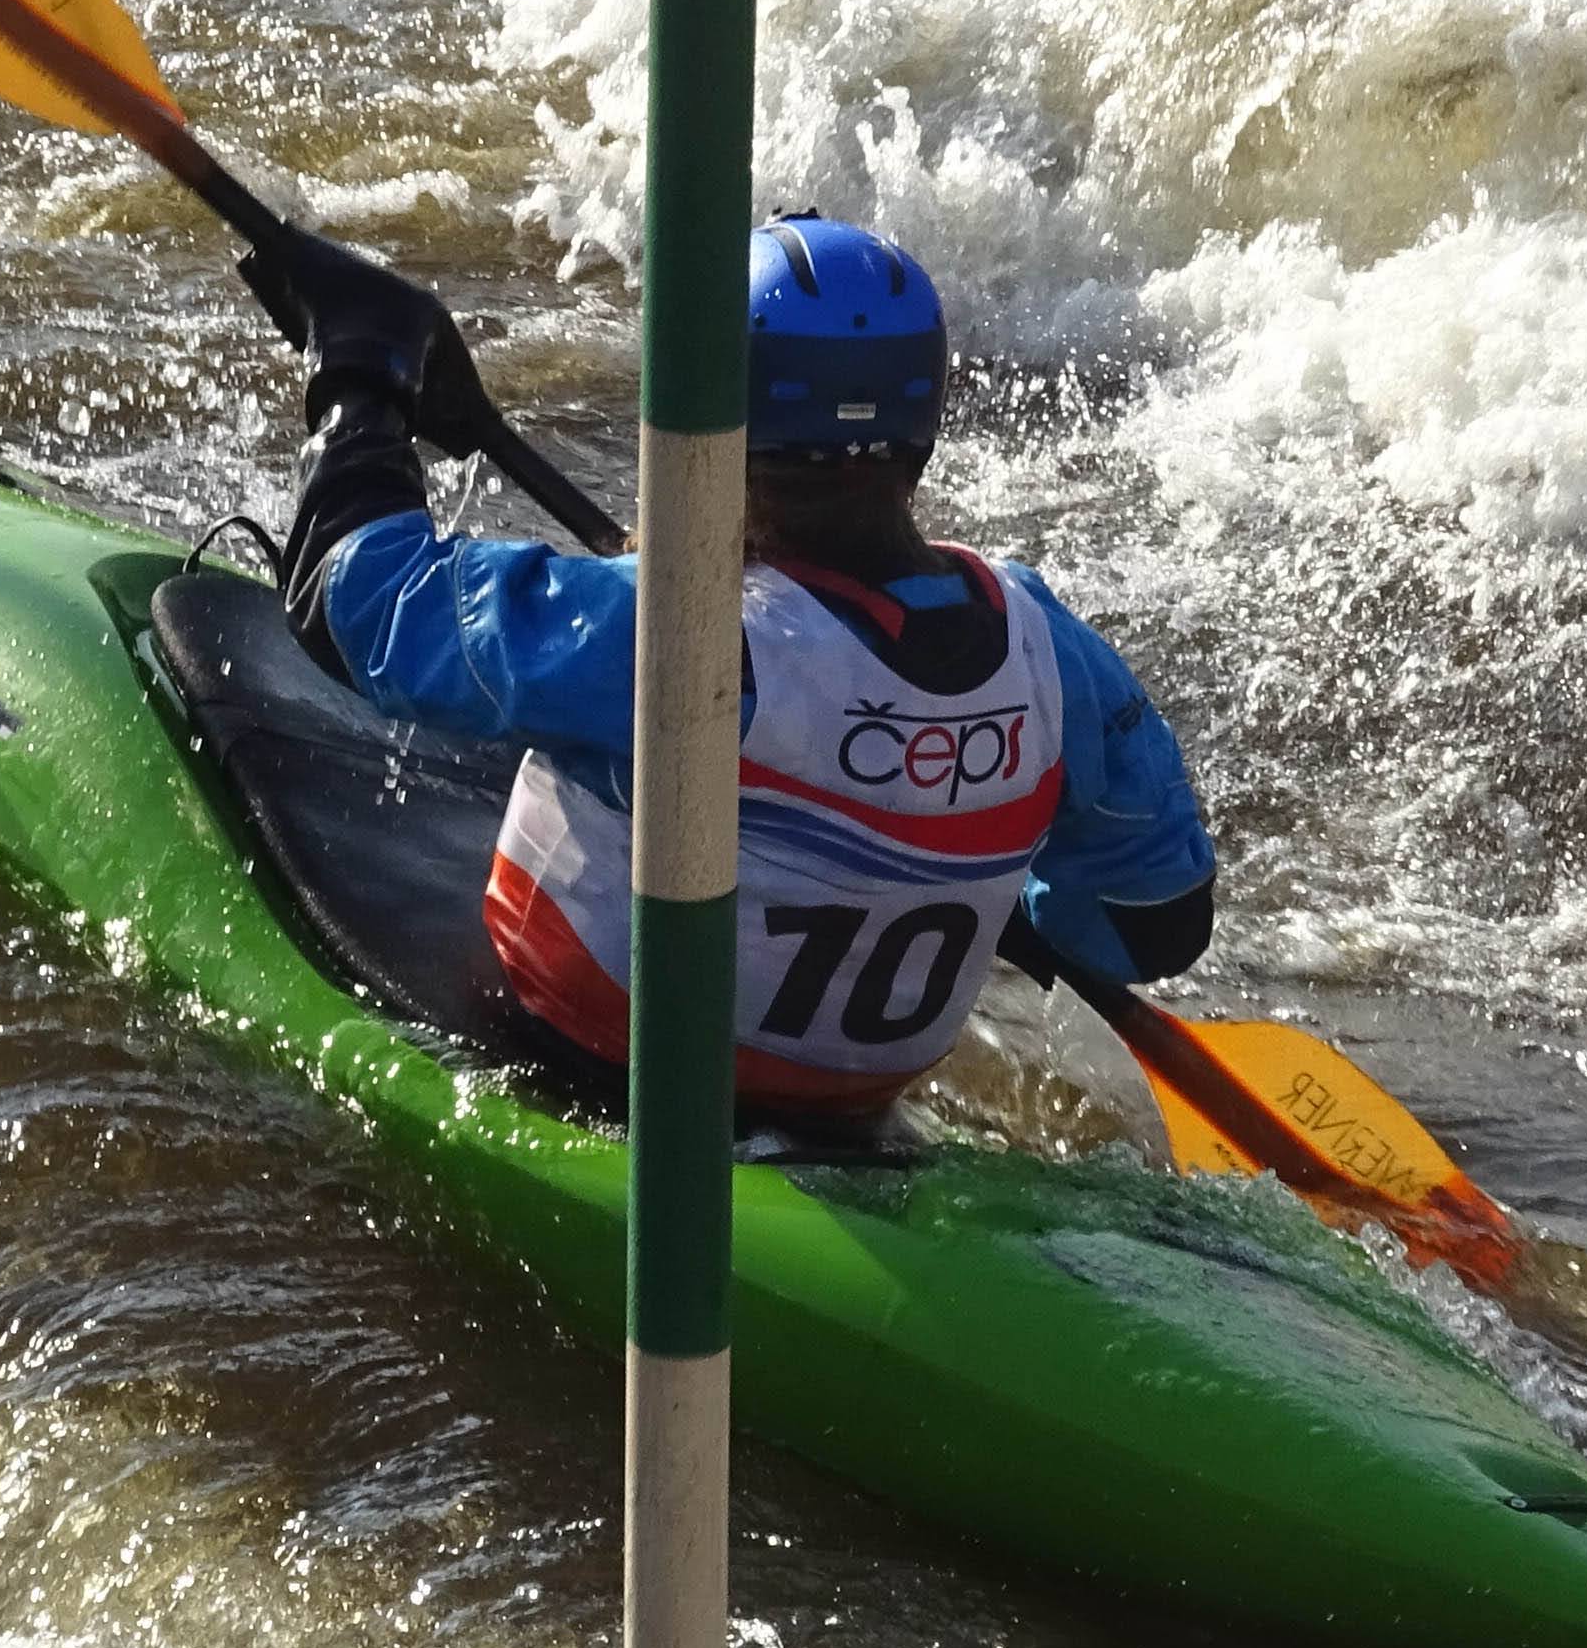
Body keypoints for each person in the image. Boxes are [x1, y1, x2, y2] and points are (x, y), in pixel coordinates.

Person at [247, 213, 1217, 1119]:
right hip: (851, 1114)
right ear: (919, 431)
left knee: (547, 709)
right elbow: (1154, 925)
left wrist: (363, 380)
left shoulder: (670, 632)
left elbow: (351, 601)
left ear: (712, 414)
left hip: (590, 1067)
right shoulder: (1047, 648)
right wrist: (958, 858)